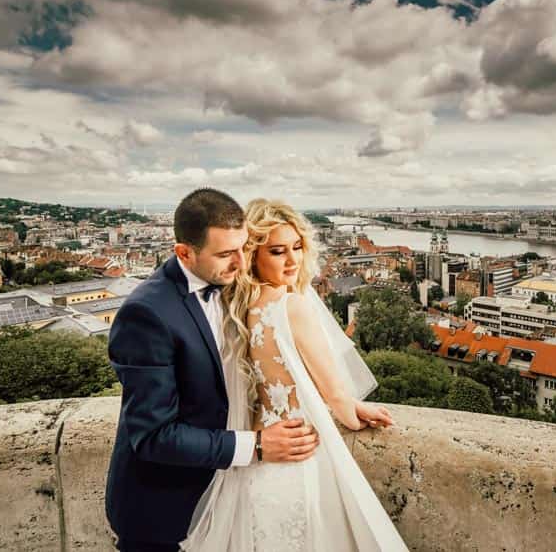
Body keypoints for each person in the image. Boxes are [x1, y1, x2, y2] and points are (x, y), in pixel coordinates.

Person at [181, 198, 407, 551]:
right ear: (254, 254)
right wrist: (352, 410)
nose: (292, 260)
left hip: (255, 459)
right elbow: (334, 396)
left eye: (297, 247)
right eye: (277, 251)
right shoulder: (293, 305)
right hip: (300, 452)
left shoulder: (234, 306)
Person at [105, 189, 320, 551]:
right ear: (184, 253)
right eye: (225, 254)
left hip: (230, 498)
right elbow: (154, 436)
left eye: (244, 247)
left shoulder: (234, 285)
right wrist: (258, 446)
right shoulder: (146, 314)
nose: (241, 262)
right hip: (163, 509)